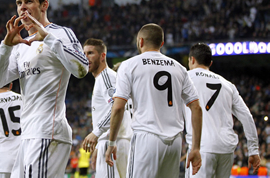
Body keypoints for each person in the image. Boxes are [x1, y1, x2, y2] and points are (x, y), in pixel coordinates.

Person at [0, 0, 88, 177]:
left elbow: (82, 69)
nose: (22, 7)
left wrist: (48, 38)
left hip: (47, 130)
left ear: (44, 5)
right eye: (19, 3)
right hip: (28, 133)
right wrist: (6, 46)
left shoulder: (60, 33)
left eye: (29, 1)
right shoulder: (20, 45)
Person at [105, 23, 203, 177]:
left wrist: (111, 143)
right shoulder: (180, 68)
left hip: (146, 138)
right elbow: (196, 108)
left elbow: (118, 107)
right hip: (175, 142)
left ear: (140, 41)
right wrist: (196, 147)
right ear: (161, 44)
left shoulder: (129, 65)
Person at [184, 43, 260, 177]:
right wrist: (253, 150)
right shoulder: (228, 85)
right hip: (226, 149)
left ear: (192, 60)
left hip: (202, 147)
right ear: (210, 63)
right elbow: (247, 117)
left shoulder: (186, 77)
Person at [81, 38, 132, 178]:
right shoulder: (107, 78)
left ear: (103, 56)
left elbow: (116, 108)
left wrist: (96, 133)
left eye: (90, 53)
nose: (86, 58)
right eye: (84, 53)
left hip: (113, 143)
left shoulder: (106, 77)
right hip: (116, 141)